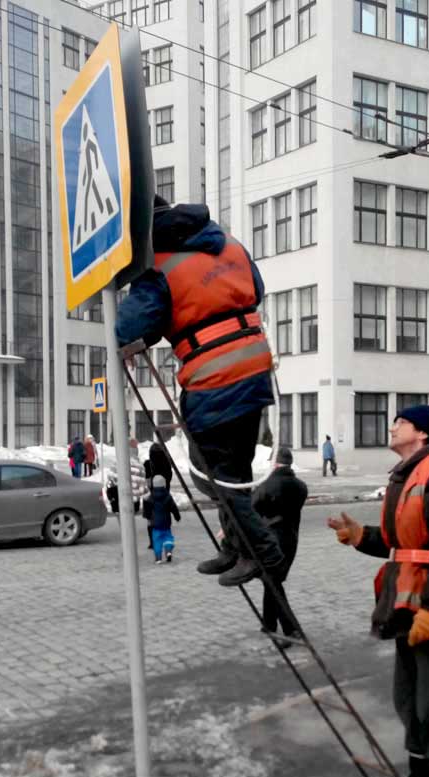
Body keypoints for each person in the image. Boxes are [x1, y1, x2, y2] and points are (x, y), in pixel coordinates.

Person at [116, 196, 283, 588]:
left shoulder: (157, 262)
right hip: (255, 363)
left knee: (211, 475)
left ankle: (261, 549)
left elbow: (134, 324)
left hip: (214, 375)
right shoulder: (227, 241)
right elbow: (254, 288)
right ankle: (238, 548)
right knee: (234, 471)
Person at [327, 405, 429, 777]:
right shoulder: (407, 474)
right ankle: (420, 775)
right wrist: (360, 535)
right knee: (407, 696)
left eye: (402, 423)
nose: (393, 427)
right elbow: (402, 545)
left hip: (428, 601)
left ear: (423, 433)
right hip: (402, 598)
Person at [251, 446, 308, 647]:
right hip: (291, 540)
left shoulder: (266, 485)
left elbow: (250, 510)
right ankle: (269, 624)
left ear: (274, 463)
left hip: (270, 542)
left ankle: (291, 630)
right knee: (271, 580)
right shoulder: (301, 487)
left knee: (272, 582)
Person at [142, 474, 180, 564]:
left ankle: (158, 558)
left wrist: (148, 517)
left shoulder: (151, 497)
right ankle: (168, 551)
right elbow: (173, 508)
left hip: (155, 524)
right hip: (166, 523)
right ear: (164, 484)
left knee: (157, 540)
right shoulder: (168, 496)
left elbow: (147, 511)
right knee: (168, 537)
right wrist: (177, 516)